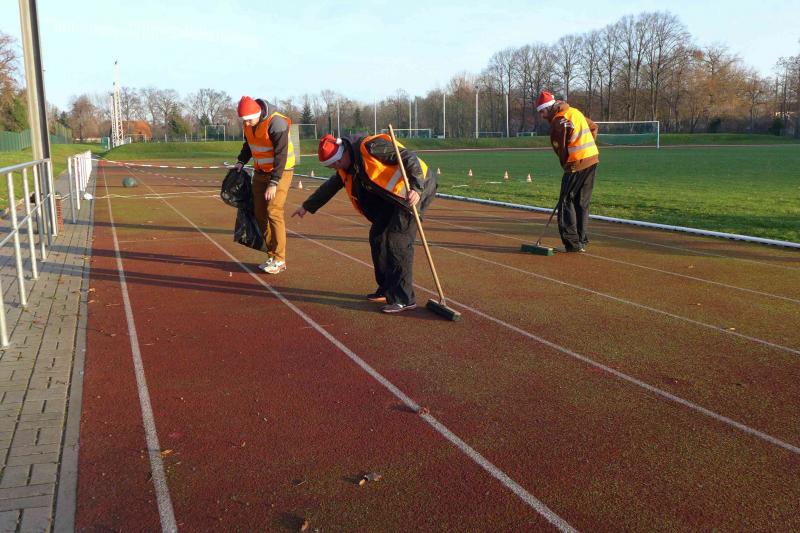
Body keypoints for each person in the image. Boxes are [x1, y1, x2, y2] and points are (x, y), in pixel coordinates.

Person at [292, 133, 437, 314]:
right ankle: (387, 288)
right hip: (392, 198)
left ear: (343, 153)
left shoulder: (371, 147)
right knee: (377, 236)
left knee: (397, 241)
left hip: (416, 189)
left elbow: (408, 157)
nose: (336, 168)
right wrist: (307, 206)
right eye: (332, 166)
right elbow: (331, 186)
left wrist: (416, 187)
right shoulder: (346, 165)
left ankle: (403, 298)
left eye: (336, 163)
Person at [234, 96, 296, 274]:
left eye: (249, 119)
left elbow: (281, 154)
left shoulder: (276, 123)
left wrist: (274, 182)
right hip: (260, 172)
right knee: (259, 213)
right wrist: (241, 161)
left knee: (274, 211)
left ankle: (280, 259)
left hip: (281, 172)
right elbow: (249, 145)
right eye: (244, 120)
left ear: (258, 113)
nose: (247, 123)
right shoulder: (248, 124)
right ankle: (272, 255)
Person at [536, 91, 599, 253]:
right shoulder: (574, 112)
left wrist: (567, 165)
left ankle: (572, 243)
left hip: (575, 163)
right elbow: (593, 126)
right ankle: (581, 241)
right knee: (581, 202)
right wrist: (588, 148)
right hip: (592, 159)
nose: (541, 115)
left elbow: (561, 149)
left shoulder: (559, 121)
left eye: (541, 111)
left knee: (565, 202)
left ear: (549, 108)